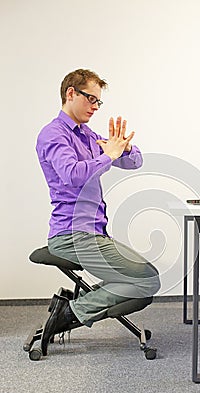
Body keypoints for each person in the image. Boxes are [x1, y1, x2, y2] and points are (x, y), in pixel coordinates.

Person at [36, 68, 160, 346]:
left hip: (92, 233)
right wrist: (107, 155)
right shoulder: (53, 134)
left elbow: (133, 162)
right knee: (147, 282)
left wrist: (124, 150)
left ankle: (72, 305)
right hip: (71, 235)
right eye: (90, 99)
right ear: (71, 93)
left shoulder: (86, 135)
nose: (95, 106)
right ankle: (71, 313)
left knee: (146, 279)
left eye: (98, 102)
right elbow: (72, 174)